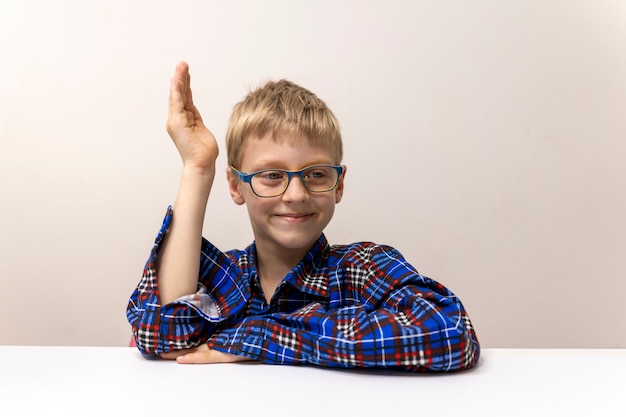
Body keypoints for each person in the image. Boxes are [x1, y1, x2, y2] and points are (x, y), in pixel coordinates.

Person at [126, 61, 480, 371]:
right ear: (235, 186)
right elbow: (161, 335)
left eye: (315, 174)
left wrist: (262, 335)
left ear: (339, 185)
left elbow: (450, 332)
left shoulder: (362, 267)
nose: (295, 195)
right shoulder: (222, 279)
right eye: (272, 175)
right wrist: (197, 169)